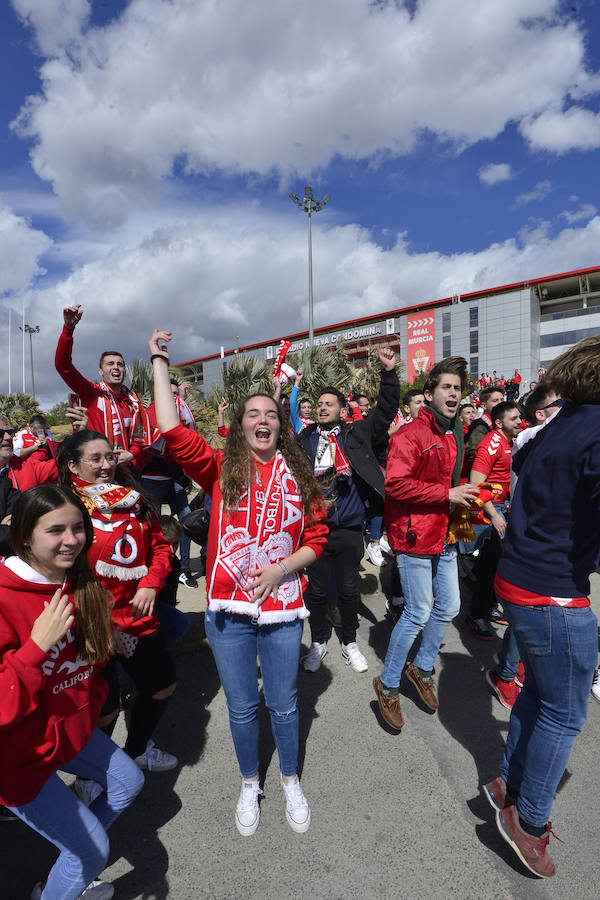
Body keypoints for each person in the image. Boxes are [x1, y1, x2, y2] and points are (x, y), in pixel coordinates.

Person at [149, 327, 328, 836]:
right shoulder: (219, 467)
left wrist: (281, 569)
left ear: (281, 425)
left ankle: (290, 779)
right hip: (228, 611)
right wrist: (159, 361)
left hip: (283, 606)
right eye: (253, 414)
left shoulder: (300, 475)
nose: (263, 420)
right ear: (241, 425)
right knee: (243, 707)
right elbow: (170, 427)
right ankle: (251, 782)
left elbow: (317, 537)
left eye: (271, 413)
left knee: (284, 704)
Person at [485, 335, 600, 878]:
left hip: (519, 576)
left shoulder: (557, 424)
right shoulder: (593, 427)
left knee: (538, 691)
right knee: (566, 712)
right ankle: (529, 821)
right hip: (552, 590)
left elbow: (524, 461)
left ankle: (508, 783)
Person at [0, 484, 144, 899]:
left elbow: (88, 666)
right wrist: (35, 649)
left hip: (66, 731)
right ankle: (79, 859)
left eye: (78, 528)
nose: (71, 540)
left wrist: (89, 701)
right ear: (25, 536)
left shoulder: (78, 581)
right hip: (18, 759)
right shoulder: (5, 597)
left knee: (128, 782)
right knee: (92, 851)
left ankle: (73, 858)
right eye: (55, 530)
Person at [57, 430, 179, 790]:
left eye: (110, 456)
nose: (106, 465)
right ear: (73, 465)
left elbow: (160, 548)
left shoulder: (134, 500)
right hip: (89, 623)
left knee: (162, 686)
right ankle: (90, 777)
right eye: (95, 458)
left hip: (135, 616)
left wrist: (150, 584)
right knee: (105, 708)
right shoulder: (62, 506)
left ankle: (137, 750)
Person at [373, 356, 478, 730]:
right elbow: (395, 485)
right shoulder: (409, 434)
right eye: (446, 387)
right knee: (418, 611)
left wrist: (462, 502)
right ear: (429, 394)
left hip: (444, 533)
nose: (453, 393)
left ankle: (420, 667)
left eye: (457, 388)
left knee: (450, 605)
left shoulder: (452, 433)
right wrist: (446, 494)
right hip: (414, 534)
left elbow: (451, 483)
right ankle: (387, 684)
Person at [296, 346, 400, 673]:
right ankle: (318, 641)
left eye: (329, 404)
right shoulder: (304, 440)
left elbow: (385, 410)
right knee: (316, 591)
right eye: (319, 404)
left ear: (343, 411)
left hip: (351, 529)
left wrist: (388, 373)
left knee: (350, 589)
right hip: (315, 530)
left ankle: (350, 642)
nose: (322, 407)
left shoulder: (356, 434)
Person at [55, 305, 156, 465]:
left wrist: (131, 454)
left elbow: (139, 439)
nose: (116, 367)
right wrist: (68, 328)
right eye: (110, 364)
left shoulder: (133, 403)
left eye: (120, 364)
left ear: (124, 371)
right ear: (101, 372)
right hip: (97, 468)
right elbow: (63, 366)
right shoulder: (91, 393)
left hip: (127, 470)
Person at [465, 400, 521, 641]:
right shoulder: (491, 444)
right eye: (513, 418)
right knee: (490, 565)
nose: (519, 421)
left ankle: (484, 607)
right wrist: (495, 515)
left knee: (493, 565)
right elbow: (477, 484)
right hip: (489, 512)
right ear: (498, 423)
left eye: (519, 417)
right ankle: (475, 613)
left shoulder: (511, 441)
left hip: (503, 508)